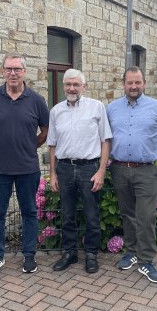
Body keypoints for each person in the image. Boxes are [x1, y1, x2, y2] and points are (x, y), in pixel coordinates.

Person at [0, 53, 49, 275]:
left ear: (24, 72)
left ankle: (29, 256)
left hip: (27, 168)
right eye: (9, 69)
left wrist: (30, 146)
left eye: (17, 69)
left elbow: (45, 132)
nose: (13, 73)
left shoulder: (37, 100)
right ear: (2, 71)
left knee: (29, 212)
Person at [107, 66, 157, 283]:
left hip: (146, 169)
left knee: (146, 216)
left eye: (137, 82)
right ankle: (131, 252)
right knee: (128, 214)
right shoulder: (112, 109)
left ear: (144, 83)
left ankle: (147, 260)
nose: (133, 86)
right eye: (129, 83)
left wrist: (144, 151)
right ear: (123, 84)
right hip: (119, 168)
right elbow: (106, 138)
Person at [47, 69, 112, 273]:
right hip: (65, 167)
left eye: (76, 84)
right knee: (67, 214)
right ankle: (70, 253)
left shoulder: (97, 107)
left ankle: (91, 254)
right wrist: (53, 173)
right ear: (64, 86)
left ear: (84, 86)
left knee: (92, 214)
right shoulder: (56, 111)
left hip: (89, 168)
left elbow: (105, 140)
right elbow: (52, 145)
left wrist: (101, 171)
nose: (72, 88)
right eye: (68, 84)